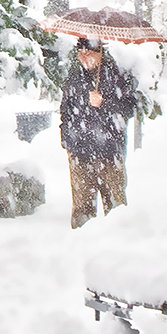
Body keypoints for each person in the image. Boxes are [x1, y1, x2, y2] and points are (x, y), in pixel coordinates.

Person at [60, 36, 137, 229]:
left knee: (115, 205)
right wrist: (67, 140)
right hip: (80, 152)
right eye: (80, 53)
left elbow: (129, 108)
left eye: (88, 53)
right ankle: (81, 242)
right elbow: (66, 112)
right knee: (82, 208)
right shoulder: (74, 79)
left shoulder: (116, 76)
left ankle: (118, 240)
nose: (84, 57)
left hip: (109, 152)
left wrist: (105, 103)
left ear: (99, 53)